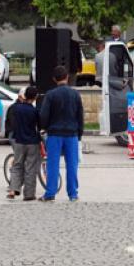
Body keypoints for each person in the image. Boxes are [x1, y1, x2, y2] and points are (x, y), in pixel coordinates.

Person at [38, 65, 84, 202]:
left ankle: (50, 193)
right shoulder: (75, 94)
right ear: (67, 77)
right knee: (72, 165)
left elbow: (44, 115)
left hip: (54, 133)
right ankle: (73, 194)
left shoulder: (51, 95)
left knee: (53, 164)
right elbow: (80, 115)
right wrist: (79, 133)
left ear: (54, 79)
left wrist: (43, 127)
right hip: (72, 134)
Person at [7, 86, 41, 201]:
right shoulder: (34, 111)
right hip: (32, 142)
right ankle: (29, 194)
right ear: (35, 97)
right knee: (30, 168)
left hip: (18, 141)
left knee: (17, 165)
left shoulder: (16, 108)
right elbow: (40, 126)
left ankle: (13, 189)